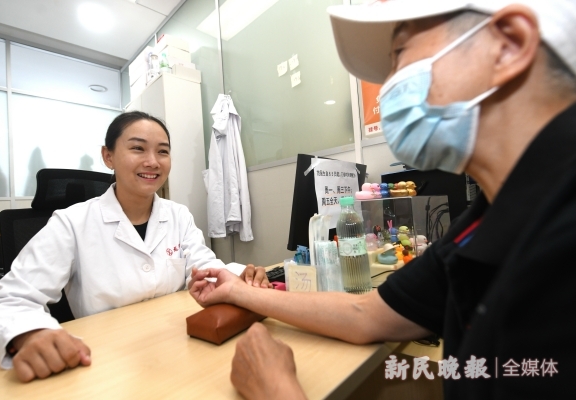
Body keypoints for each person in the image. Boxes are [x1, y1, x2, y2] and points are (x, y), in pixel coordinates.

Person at [188, 1, 576, 399]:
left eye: (400, 54)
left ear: (508, 45)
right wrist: (239, 292)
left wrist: (275, 389)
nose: (388, 88)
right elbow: (368, 314)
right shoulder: (484, 223)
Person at [0, 111, 270, 382]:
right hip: (103, 366)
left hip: (177, 349)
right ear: (108, 156)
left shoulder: (178, 215)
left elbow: (205, 267)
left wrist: (238, 278)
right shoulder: (71, 223)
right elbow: (4, 303)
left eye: (163, 151)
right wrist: (29, 334)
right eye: (138, 148)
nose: (153, 161)